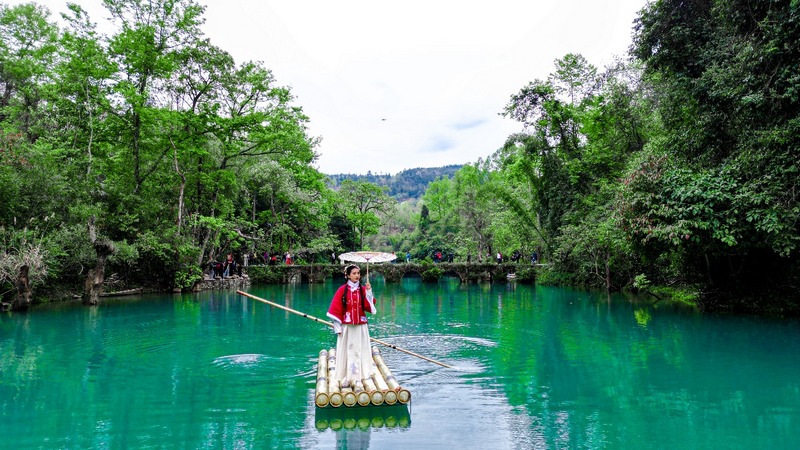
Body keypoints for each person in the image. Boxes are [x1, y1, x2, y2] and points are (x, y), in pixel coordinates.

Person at [326, 264, 377, 389]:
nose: (357, 276)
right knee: (347, 351)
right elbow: (336, 309)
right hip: (347, 327)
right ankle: (347, 377)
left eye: (358, 273)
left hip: (360, 327)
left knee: (360, 351)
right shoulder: (342, 290)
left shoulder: (363, 290)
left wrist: (369, 293)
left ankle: (358, 378)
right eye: (354, 273)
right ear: (348, 275)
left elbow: (369, 307)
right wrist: (337, 326)